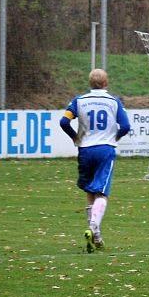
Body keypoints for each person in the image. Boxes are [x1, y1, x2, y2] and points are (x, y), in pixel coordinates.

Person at [59, 68, 131, 253]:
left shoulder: (79, 101)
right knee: (102, 193)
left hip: (85, 150)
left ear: (90, 83)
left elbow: (64, 122)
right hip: (105, 150)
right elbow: (125, 126)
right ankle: (93, 228)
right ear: (106, 83)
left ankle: (96, 236)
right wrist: (115, 137)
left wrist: (75, 137)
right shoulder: (114, 101)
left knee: (90, 191)